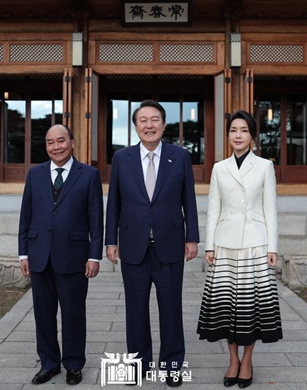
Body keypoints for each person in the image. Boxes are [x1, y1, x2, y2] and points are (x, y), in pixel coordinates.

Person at [105, 99, 200, 387]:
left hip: (169, 245)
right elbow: (114, 204)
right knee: (135, 310)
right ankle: (138, 365)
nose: (149, 125)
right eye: (143, 120)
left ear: (163, 123)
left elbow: (189, 201)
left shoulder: (180, 157)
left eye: (155, 119)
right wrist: (111, 241)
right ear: (135, 126)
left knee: (171, 309)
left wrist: (192, 237)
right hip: (133, 246)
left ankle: (172, 365)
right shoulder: (122, 158)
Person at [196, 110, 283, 389]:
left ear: (252, 136)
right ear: (228, 134)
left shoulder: (264, 167)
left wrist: (273, 247)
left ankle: (247, 360)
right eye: (233, 130)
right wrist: (209, 245)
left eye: (243, 130)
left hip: (255, 244)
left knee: (250, 307)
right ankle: (232, 359)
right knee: (225, 308)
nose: (238, 135)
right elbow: (213, 208)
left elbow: (270, 209)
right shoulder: (219, 168)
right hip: (224, 242)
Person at [18, 124, 103, 386]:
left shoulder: (88, 175)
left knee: (73, 314)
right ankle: (49, 363)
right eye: (50, 142)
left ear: (72, 142)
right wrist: (23, 253)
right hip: (39, 255)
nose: (56, 146)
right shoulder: (35, 174)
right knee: (43, 315)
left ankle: (74, 364)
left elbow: (96, 219)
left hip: (74, 257)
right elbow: (26, 215)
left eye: (61, 141)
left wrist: (94, 256)